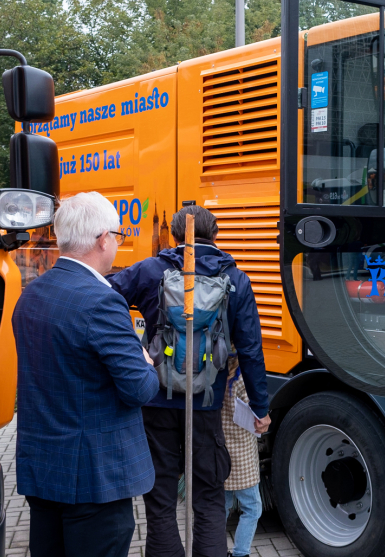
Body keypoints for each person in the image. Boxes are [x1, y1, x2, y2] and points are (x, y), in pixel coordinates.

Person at [109, 204, 270, 557]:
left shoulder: (152, 270)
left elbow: (104, 296)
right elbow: (251, 349)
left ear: (174, 235)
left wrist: (134, 348)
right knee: (209, 497)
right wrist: (261, 407)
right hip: (207, 403)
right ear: (215, 235)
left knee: (162, 497)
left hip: (156, 400)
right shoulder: (235, 279)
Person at [12, 192, 159, 557]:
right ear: (102, 239)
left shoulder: (31, 294)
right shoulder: (101, 300)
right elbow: (140, 389)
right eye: (118, 236)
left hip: (44, 472)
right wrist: (145, 361)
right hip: (94, 481)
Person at [221, 358, 263, 557]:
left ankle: (216, 549)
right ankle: (240, 553)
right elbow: (256, 411)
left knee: (222, 507)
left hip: (221, 453)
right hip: (241, 454)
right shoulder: (242, 379)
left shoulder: (216, 374)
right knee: (253, 508)